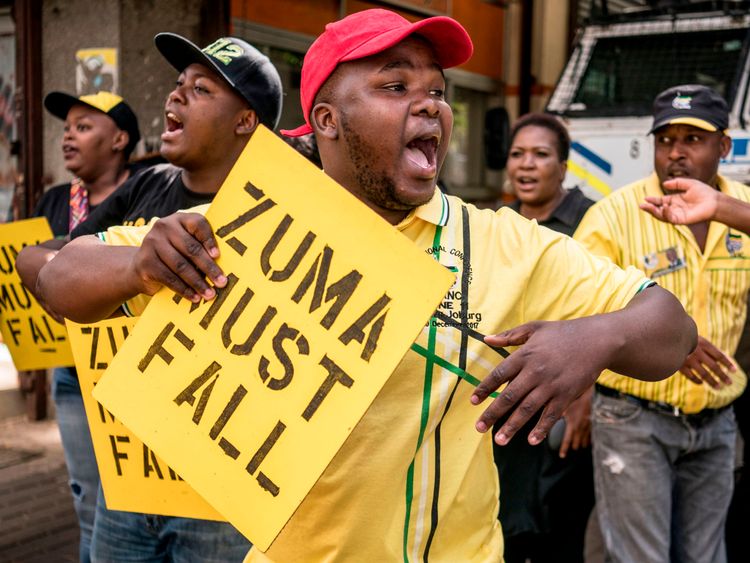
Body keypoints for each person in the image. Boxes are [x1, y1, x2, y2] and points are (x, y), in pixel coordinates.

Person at [33, 10, 696, 562]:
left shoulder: (499, 241)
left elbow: (670, 326)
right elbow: (60, 275)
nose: (430, 101)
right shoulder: (245, 223)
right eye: (395, 84)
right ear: (325, 119)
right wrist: (138, 264)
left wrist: (594, 339)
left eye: (437, 88)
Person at [18, 32, 282, 563]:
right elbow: (41, 266)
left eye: (201, 89)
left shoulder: (283, 207)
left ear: (246, 121)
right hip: (130, 478)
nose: (175, 97)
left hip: (224, 504)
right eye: (177, 84)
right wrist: (131, 267)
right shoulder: (148, 185)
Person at [574, 84, 749, 563]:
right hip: (633, 420)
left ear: (724, 147)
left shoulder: (743, 212)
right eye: (665, 139)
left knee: (706, 556)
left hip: (717, 424)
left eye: (693, 139)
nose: (675, 152)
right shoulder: (612, 215)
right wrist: (672, 343)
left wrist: (726, 210)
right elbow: (579, 308)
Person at [33, 89, 140, 563]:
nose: (67, 137)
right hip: (74, 372)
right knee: (89, 498)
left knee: (132, 503)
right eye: (66, 128)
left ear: (119, 139)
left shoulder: (150, 191)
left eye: (83, 126)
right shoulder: (53, 200)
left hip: (135, 373)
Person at [496, 112, 595, 563]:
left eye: (540, 155)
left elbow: (610, 314)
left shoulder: (592, 222)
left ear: (564, 166)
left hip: (569, 401)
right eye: (518, 154)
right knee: (508, 525)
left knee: (562, 526)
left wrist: (585, 394)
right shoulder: (498, 224)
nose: (527, 166)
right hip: (510, 395)